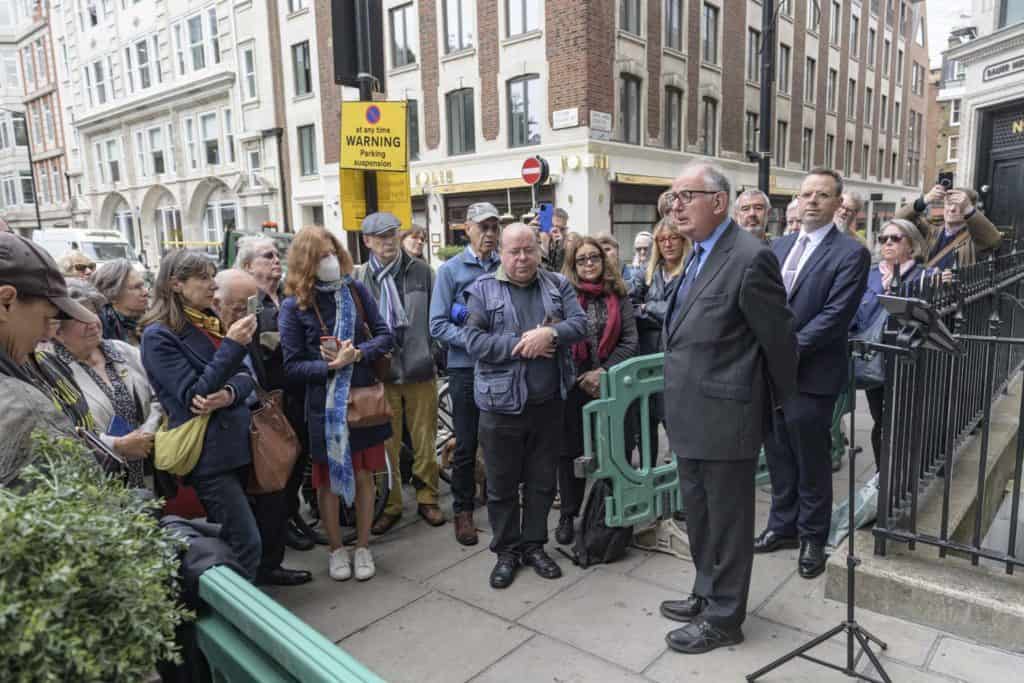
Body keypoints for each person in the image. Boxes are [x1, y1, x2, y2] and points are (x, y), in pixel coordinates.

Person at [658, 162, 798, 655]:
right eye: (671, 197)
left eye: (685, 196)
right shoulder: (696, 254)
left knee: (729, 522)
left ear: (719, 202)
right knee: (699, 516)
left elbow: (779, 340)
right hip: (690, 416)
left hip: (728, 418)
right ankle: (705, 590)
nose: (675, 206)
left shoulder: (748, 256)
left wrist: (782, 409)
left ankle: (724, 618)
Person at [757, 169, 870, 581]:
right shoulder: (780, 245)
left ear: (838, 203)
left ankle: (812, 537)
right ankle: (782, 526)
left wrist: (785, 351)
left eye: (822, 195)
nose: (812, 201)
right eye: (806, 194)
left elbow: (835, 316)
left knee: (811, 459)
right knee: (778, 452)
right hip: (771, 374)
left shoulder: (850, 253)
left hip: (812, 373)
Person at [464, 223, 587, 589]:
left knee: (541, 484)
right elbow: (473, 341)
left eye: (528, 250)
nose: (522, 258)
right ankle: (506, 551)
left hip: (548, 404)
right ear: (501, 253)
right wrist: (524, 344)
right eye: (514, 251)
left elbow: (579, 324)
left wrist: (550, 333)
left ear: (540, 250)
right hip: (500, 408)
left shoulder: (557, 285)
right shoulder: (482, 290)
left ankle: (534, 545)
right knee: (501, 487)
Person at [278, 226, 393, 582]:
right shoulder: (293, 306)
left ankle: (362, 546)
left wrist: (358, 353)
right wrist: (330, 366)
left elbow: (385, 334)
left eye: (332, 252)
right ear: (305, 263)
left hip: (362, 401)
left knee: (364, 476)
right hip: (323, 407)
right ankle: (335, 549)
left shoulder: (355, 289)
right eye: (320, 256)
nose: (329, 261)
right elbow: (291, 365)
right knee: (326, 483)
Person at [140, 249, 262, 580]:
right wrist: (232, 346)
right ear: (176, 284)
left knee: (239, 539)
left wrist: (228, 395)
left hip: (234, 446)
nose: (213, 285)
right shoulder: (159, 336)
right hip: (208, 456)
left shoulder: (206, 320)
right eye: (204, 278)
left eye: (213, 275)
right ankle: (241, 618)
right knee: (245, 544)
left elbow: (247, 378)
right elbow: (193, 396)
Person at [213, 268, 312, 587]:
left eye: (249, 305)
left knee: (275, 496)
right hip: (228, 433)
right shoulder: (208, 333)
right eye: (237, 306)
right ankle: (244, 579)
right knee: (241, 516)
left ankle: (271, 565)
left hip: (262, 423)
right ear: (217, 303)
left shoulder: (249, 327)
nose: (245, 313)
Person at [354, 212, 443, 533]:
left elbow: (437, 318)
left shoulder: (422, 272)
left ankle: (427, 498)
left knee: (425, 441)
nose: (388, 240)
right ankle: (389, 505)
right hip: (382, 375)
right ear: (367, 241)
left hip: (420, 370)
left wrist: (431, 352)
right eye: (380, 236)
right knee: (386, 446)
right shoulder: (359, 279)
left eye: (392, 233)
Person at [236, 236, 323, 550]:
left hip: (297, 391)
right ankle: (279, 527)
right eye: (267, 256)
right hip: (267, 399)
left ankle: (291, 517)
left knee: (298, 458)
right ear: (248, 266)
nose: (276, 260)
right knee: (275, 466)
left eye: (277, 254)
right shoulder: (247, 301)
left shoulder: (289, 294)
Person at [556, 236, 638, 545]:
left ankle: (609, 513)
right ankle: (568, 514)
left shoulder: (620, 295)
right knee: (569, 454)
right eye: (582, 259)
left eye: (595, 257)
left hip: (613, 384)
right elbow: (559, 340)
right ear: (573, 265)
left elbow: (631, 341)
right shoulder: (563, 297)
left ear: (604, 262)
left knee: (616, 449)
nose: (589, 263)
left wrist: (602, 372)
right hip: (574, 387)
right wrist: (582, 377)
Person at [0, 233, 98, 487]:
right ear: (6, 302)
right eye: (47, 317)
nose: (47, 333)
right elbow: (86, 510)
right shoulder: (21, 407)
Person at [429, 202, 501, 546]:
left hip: (502, 367)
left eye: (494, 227)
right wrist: (475, 342)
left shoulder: (506, 265)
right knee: (466, 442)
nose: (489, 234)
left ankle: (500, 501)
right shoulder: (451, 271)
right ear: (467, 229)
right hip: (466, 368)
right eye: (482, 227)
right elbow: (437, 324)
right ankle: (463, 510)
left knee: (501, 437)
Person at [51, 282, 160, 488]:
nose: (92, 322)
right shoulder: (52, 369)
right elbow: (60, 432)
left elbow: (158, 393)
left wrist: (148, 431)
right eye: (80, 318)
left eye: (93, 314)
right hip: (100, 479)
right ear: (58, 330)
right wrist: (115, 445)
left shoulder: (122, 351)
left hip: (148, 467)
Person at [851, 219, 928, 470]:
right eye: (883, 239)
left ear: (912, 244)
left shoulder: (925, 276)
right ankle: (882, 473)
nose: (888, 243)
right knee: (881, 420)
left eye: (896, 238)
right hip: (875, 357)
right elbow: (856, 314)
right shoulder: (869, 274)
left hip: (907, 360)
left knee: (904, 419)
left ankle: (906, 471)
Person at [895, 184, 1002, 269]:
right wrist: (924, 200)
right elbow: (899, 219)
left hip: (955, 294)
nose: (951, 209)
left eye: (959, 205)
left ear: (968, 208)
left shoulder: (976, 236)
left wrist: (969, 209)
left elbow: (994, 241)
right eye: (949, 203)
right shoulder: (931, 230)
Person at [92, 259, 148, 346]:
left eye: (143, 285)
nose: (145, 292)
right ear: (113, 294)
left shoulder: (151, 319)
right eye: (137, 287)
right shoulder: (100, 329)